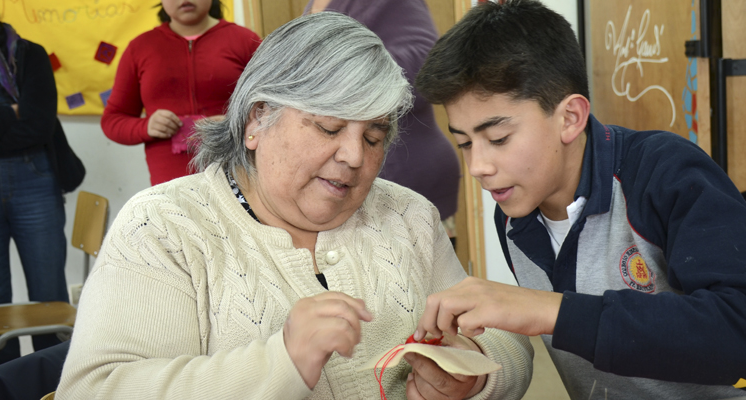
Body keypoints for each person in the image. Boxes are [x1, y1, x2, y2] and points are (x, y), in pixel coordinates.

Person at [58, 12, 532, 400]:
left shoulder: (409, 215)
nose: (355, 156)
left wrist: (472, 373)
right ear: (256, 121)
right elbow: (94, 390)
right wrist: (281, 361)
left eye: (374, 137)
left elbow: (503, 337)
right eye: (329, 128)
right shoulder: (164, 227)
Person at [413, 1, 746, 398]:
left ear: (570, 118)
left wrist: (551, 310)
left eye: (498, 138)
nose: (478, 167)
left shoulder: (663, 172)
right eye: (464, 143)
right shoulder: (514, 213)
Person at [306, 0, 462, 235]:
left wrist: (339, 70)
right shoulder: (315, 4)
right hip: (351, 181)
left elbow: (428, 64)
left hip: (406, 174)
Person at [0, 0, 69, 363]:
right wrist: (10, 113)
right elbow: (25, 122)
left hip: (34, 178)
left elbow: (38, 125)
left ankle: (52, 379)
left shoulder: (30, 54)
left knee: (48, 295)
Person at [101, 0, 259, 186]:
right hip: (169, 186)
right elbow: (113, 121)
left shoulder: (245, 41)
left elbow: (274, 110)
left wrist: (234, 124)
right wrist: (146, 126)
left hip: (239, 175)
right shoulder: (140, 48)